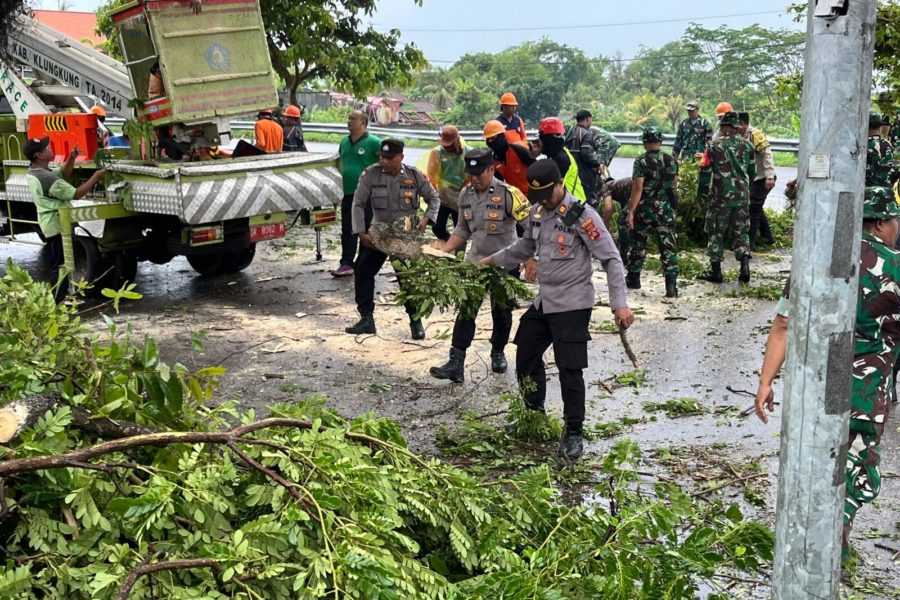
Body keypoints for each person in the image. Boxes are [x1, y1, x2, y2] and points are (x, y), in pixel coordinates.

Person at [755, 186, 900, 564]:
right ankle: (831, 554)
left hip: (813, 390)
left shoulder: (813, 262)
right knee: (852, 473)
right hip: (863, 396)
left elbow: (784, 325)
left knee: (815, 467)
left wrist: (766, 381)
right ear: (882, 222)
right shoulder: (894, 267)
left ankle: (808, 551)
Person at [480, 159, 634, 461]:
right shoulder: (539, 211)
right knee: (525, 353)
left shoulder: (582, 216)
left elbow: (611, 259)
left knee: (570, 369)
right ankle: (535, 413)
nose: (546, 202)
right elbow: (523, 248)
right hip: (545, 300)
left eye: (549, 194)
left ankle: (573, 432)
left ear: (560, 184)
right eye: (540, 197)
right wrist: (490, 261)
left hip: (573, 303)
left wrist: (620, 304)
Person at [429, 148, 530, 382]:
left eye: (479, 174)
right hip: (475, 263)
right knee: (466, 310)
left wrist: (530, 257)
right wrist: (446, 248)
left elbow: (530, 226)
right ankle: (456, 361)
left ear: (491, 169)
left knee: (502, 312)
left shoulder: (509, 194)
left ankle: (498, 352)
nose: (474, 179)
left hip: (505, 265)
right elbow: (463, 229)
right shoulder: (466, 195)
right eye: (470, 174)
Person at [346, 138, 441, 339]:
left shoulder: (414, 176)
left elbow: (434, 198)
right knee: (363, 270)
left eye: (390, 158)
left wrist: (426, 220)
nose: (384, 161)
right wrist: (360, 232)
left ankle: (416, 322)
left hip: (405, 233)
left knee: (407, 278)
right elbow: (358, 203)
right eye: (382, 157)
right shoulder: (370, 174)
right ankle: (366, 319)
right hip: (378, 233)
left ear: (401, 157)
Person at [24, 137, 106, 300]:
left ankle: (58, 299)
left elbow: (62, 174)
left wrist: (72, 158)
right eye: (47, 148)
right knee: (60, 265)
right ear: (39, 155)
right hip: (56, 225)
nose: (50, 149)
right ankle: (57, 301)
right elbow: (75, 193)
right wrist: (96, 177)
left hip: (52, 224)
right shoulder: (45, 178)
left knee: (60, 263)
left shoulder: (36, 171)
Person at [700, 111, 755, 284]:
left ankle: (716, 272)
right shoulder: (748, 146)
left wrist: (701, 195)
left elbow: (705, 171)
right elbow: (752, 173)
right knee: (741, 231)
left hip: (720, 196)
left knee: (716, 232)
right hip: (742, 195)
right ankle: (744, 266)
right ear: (737, 128)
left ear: (723, 127)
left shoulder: (713, 146)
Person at [625, 126, 679, 297]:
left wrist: (631, 211)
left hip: (645, 209)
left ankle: (634, 278)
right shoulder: (671, 160)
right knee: (668, 247)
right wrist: (674, 207)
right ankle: (671, 286)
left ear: (644, 142)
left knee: (639, 243)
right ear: (660, 141)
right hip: (665, 208)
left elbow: (637, 188)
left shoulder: (641, 161)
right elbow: (673, 187)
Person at [332, 110, 382, 278]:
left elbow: (386, 163)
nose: (349, 121)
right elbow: (340, 163)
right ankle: (346, 263)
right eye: (348, 118)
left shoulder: (374, 142)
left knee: (366, 228)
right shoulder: (344, 142)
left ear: (363, 123)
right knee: (348, 228)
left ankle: (363, 262)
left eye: (353, 118)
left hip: (367, 195)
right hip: (347, 193)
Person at [736, 112, 777, 249]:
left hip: (763, 178)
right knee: (756, 206)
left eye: (737, 124)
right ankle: (768, 237)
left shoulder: (755, 135)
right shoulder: (738, 135)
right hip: (751, 178)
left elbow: (767, 155)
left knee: (753, 208)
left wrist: (769, 176)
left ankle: (750, 242)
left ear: (743, 124)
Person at [423, 125, 466, 241]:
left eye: (450, 145)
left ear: (456, 141)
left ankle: (459, 254)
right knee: (437, 227)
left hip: (461, 197)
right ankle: (448, 243)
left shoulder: (467, 152)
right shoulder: (437, 153)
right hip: (443, 196)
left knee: (461, 230)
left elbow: (471, 177)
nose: (447, 148)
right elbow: (431, 176)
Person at [537, 117, 586, 203]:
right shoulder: (559, 153)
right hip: (569, 202)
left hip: (573, 206)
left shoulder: (560, 159)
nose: (539, 142)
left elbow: (548, 189)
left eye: (541, 138)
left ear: (549, 140)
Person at [564, 109, 606, 207]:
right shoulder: (586, 133)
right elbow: (586, 154)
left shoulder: (570, 131)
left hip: (570, 171)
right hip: (584, 173)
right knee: (587, 201)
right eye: (591, 119)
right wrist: (598, 163)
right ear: (587, 119)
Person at [484, 119, 534, 195]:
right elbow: (497, 184)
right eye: (488, 139)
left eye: (493, 138)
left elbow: (536, 167)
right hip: (517, 198)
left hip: (532, 194)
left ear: (502, 136)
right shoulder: (494, 161)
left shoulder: (518, 150)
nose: (491, 142)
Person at [866, 113, 898, 187]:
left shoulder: (864, 145)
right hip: (887, 191)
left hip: (868, 192)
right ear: (880, 127)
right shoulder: (888, 144)